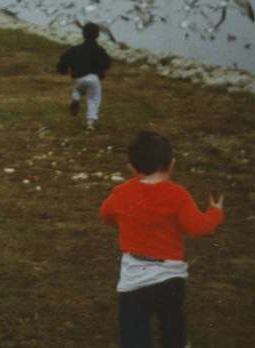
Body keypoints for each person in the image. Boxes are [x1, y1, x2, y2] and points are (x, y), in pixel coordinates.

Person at [100, 130, 224, 348]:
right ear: (172, 164)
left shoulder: (122, 193)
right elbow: (197, 227)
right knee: (172, 325)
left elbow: (106, 215)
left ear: (131, 167)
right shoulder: (178, 195)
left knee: (134, 334)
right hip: (170, 277)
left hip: (133, 279)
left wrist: (125, 220)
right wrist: (215, 213)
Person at [56, 21, 112, 129]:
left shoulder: (75, 50)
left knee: (78, 90)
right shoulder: (99, 50)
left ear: (83, 34)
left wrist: (63, 70)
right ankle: (90, 122)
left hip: (78, 78)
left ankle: (76, 98)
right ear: (98, 35)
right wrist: (101, 70)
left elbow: (63, 60)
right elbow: (107, 63)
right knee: (93, 98)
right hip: (93, 78)